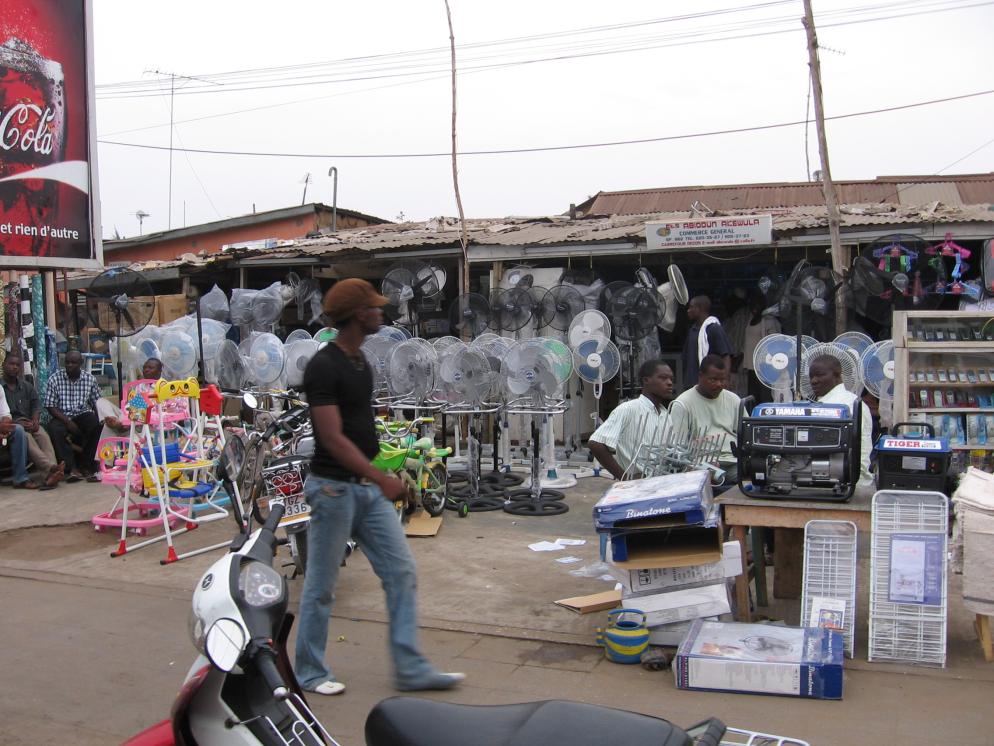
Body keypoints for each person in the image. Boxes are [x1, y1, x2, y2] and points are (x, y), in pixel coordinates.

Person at [295, 278, 464, 696]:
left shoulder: (360, 362)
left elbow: (360, 425)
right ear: (357, 314)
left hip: (365, 488)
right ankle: (309, 672)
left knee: (401, 571)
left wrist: (388, 468)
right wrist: (380, 478)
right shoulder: (324, 366)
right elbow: (333, 437)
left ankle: (410, 668)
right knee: (320, 587)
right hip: (333, 490)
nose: (380, 313)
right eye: (373, 308)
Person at [588, 360, 675, 480]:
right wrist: (624, 478)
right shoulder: (628, 409)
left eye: (671, 379)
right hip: (637, 486)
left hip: (660, 483)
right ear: (646, 380)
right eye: (663, 378)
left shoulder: (666, 415)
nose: (669, 383)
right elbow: (596, 443)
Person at [670, 354, 741, 483]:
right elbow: (678, 448)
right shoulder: (683, 403)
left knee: (758, 476)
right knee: (718, 478)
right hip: (702, 463)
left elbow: (744, 434)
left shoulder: (733, 399)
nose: (720, 384)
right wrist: (695, 466)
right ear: (700, 376)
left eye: (723, 380)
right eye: (713, 380)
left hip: (734, 460)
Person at [808, 354, 873, 486]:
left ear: (837, 375)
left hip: (848, 484)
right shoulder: (821, 405)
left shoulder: (851, 405)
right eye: (811, 376)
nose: (813, 381)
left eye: (819, 375)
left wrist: (855, 483)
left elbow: (860, 452)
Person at [1, 353, 63, 489]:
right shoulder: (1, 387)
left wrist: (35, 420)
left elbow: (36, 406)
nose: (14, 367)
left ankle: (52, 472)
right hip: (13, 425)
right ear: (4, 365)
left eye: (17, 365)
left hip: (29, 422)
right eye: (11, 364)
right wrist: (16, 423)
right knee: (26, 436)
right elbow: (5, 416)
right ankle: (50, 470)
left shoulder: (26, 386)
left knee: (42, 434)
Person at [44, 350, 103, 483]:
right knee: (55, 429)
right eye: (67, 362)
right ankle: (71, 469)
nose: (70, 365)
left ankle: (87, 466)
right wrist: (67, 421)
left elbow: (97, 402)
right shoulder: (55, 378)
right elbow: (50, 405)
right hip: (61, 414)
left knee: (95, 425)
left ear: (81, 364)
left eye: (74, 363)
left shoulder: (90, 379)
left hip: (82, 413)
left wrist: (102, 420)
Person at [682, 295, 733, 392]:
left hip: (709, 385)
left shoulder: (714, 328)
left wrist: (724, 379)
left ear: (700, 308)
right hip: (691, 383)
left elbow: (726, 356)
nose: (688, 310)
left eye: (691, 307)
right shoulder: (692, 330)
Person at [740, 292, 781, 405]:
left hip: (764, 367)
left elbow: (776, 342)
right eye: (752, 304)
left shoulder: (770, 322)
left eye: (758, 304)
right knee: (752, 396)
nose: (755, 307)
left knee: (765, 397)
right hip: (751, 367)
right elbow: (747, 343)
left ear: (763, 305)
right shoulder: (750, 320)